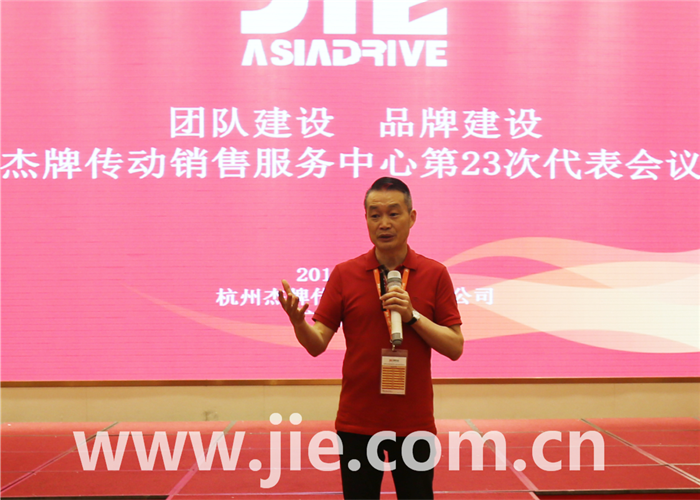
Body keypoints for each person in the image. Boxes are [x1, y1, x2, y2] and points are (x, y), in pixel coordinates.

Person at [279, 177, 463, 500]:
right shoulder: (344, 274)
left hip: (414, 423)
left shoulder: (435, 273)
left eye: (393, 213)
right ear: (365, 219)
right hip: (358, 423)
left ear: (412, 217)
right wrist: (298, 323)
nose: (384, 223)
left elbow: (455, 346)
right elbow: (317, 343)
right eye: (375, 215)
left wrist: (413, 316)